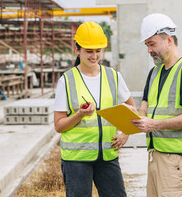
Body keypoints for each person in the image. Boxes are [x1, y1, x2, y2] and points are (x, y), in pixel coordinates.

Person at [54, 21, 135, 197]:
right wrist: (79, 115)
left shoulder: (113, 76)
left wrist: (125, 134)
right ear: (77, 49)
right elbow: (59, 125)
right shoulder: (66, 81)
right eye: (89, 51)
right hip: (76, 160)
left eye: (98, 50)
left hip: (107, 157)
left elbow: (132, 109)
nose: (94, 55)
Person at [130, 13, 182, 196]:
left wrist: (155, 124)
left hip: (179, 162)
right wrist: (130, 115)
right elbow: (144, 110)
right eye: (147, 45)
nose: (149, 50)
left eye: (152, 44)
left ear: (169, 40)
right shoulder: (154, 73)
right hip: (156, 157)